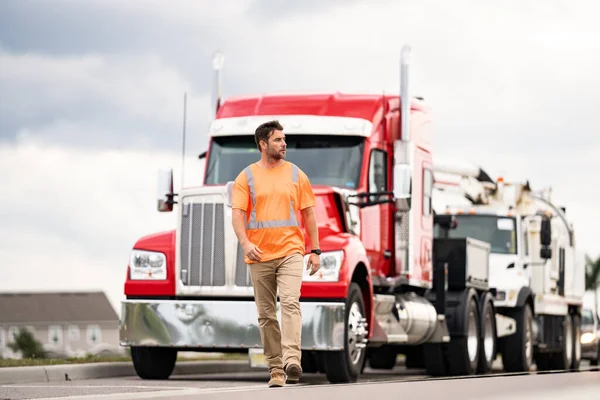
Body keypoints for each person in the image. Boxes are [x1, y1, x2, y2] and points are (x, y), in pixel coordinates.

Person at [231, 120, 321, 388]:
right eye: (278, 140)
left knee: (291, 302)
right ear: (263, 144)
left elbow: (309, 215)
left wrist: (314, 250)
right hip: (259, 254)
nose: (284, 144)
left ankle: (292, 360)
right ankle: (275, 369)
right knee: (266, 314)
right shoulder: (245, 177)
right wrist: (246, 244)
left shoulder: (296, 174)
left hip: (291, 250)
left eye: (284, 139)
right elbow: (237, 216)